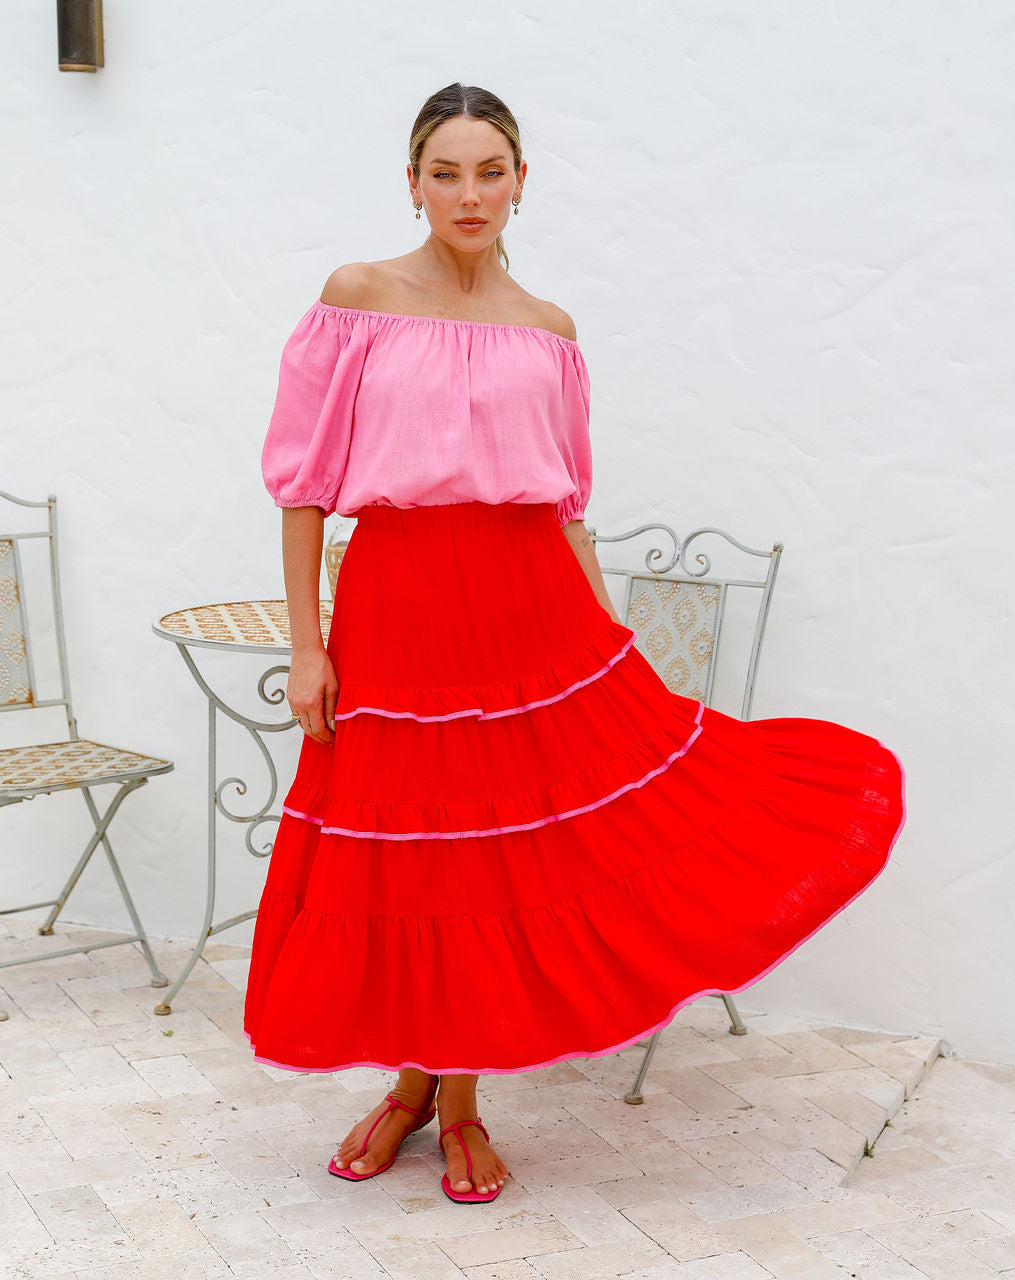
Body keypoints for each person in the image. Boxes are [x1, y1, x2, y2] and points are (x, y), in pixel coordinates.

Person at [244, 82, 906, 1204]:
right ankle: (421, 1090)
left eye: (489, 171)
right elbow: (305, 491)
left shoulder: (548, 328)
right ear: (410, 183)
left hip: (530, 606)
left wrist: (605, 640)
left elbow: (564, 506)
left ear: (520, 182)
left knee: (502, 854)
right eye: (444, 172)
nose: (468, 193)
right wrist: (308, 645)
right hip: (399, 601)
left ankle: (447, 1099)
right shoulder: (355, 298)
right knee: (417, 849)